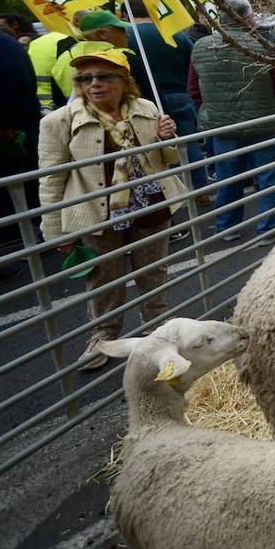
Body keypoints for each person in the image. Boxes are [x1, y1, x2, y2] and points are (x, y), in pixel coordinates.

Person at [37, 44, 184, 369]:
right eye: (85, 78)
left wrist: (166, 139)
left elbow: (167, 160)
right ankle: (103, 338)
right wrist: (55, 230)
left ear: (123, 80)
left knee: (153, 275)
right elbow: (50, 179)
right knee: (104, 282)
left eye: (104, 76)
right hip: (97, 216)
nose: (94, 84)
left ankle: (159, 335)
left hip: (151, 207)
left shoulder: (146, 108)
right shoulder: (59, 122)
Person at [189, 0, 275, 245]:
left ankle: (227, 226)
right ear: (247, 18)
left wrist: (212, 110)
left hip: (223, 127)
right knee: (269, 177)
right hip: (265, 123)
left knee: (228, 178)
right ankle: (267, 228)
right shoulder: (263, 45)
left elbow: (193, 89)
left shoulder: (202, 46)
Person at [124, 0, 207, 193]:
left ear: (127, 14)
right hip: (181, 94)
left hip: (145, 101)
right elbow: (194, 65)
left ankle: (168, 192)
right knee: (189, 142)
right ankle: (200, 190)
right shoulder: (176, 35)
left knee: (155, 148)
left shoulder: (127, 36)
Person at [0, 25, 41, 274]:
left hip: (13, 133)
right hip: (4, 133)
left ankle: (44, 231)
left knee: (28, 181)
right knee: (3, 185)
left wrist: (2, 123)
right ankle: (10, 228)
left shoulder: (1, 45)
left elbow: (15, 81)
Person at [51, 9, 131, 102]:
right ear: (102, 33)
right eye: (121, 30)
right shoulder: (121, 57)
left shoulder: (63, 58)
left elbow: (57, 100)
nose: (127, 35)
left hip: (77, 113)